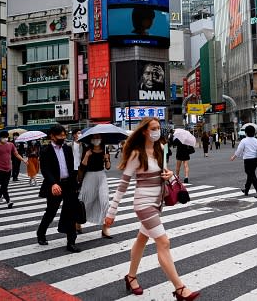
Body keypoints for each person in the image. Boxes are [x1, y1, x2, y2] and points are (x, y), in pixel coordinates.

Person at [104, 117, 200, 300]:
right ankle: (180, 289)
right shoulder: (136, 154)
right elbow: (123, 185)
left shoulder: (161, 149)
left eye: (158, 128)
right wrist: (111, 212)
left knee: (141, 240)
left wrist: (170, 175)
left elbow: (164, 174)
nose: (157, 131)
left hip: (157, 204)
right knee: (163, 242)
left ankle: (131, 277)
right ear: (144, 131)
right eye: (153, 128)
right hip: (143, 204)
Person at [37, 125, 80, 253]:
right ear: (52, 136)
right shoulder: (45, 151)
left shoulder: (67, 149)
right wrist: (53, 184)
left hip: (69, 185)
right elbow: (45, 170)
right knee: (51, 211)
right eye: (60, 135)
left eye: (64, 135)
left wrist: (75, 184)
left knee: (71, 212)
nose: (63, 137)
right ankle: (41, 233)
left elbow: (71, 167)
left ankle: (71, 242)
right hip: (55, 186)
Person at [0, 130, 27, 209]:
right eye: (3, 137)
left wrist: (23, 160)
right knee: (4, 186)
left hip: (8, 169)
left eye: (6, 137)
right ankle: (8, 201)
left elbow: (16, 154)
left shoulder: (11, 145)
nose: (5, 139)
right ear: (0, 138)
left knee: (4, 186)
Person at [79, 134, 112, 239]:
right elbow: (82, 165)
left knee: (105, 201)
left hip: (101, 176)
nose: (96, 139)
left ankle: (105, 228)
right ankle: (77, 222)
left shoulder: (105, 150)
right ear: (91, 140)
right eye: (94, 138)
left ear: (102, 139)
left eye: (98, 137)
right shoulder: (87, 150)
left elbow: (108, 167)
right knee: (86, 201)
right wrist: (87, 156)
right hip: (89, 176)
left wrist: (106, 159)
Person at [230, 125, 257, 198]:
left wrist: (234, 156)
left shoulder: (244, 141)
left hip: (248, 160)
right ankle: (246, 190)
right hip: (255, 160)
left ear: (246, 133)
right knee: (250, 175)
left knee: (251, 175)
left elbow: (239, 150)